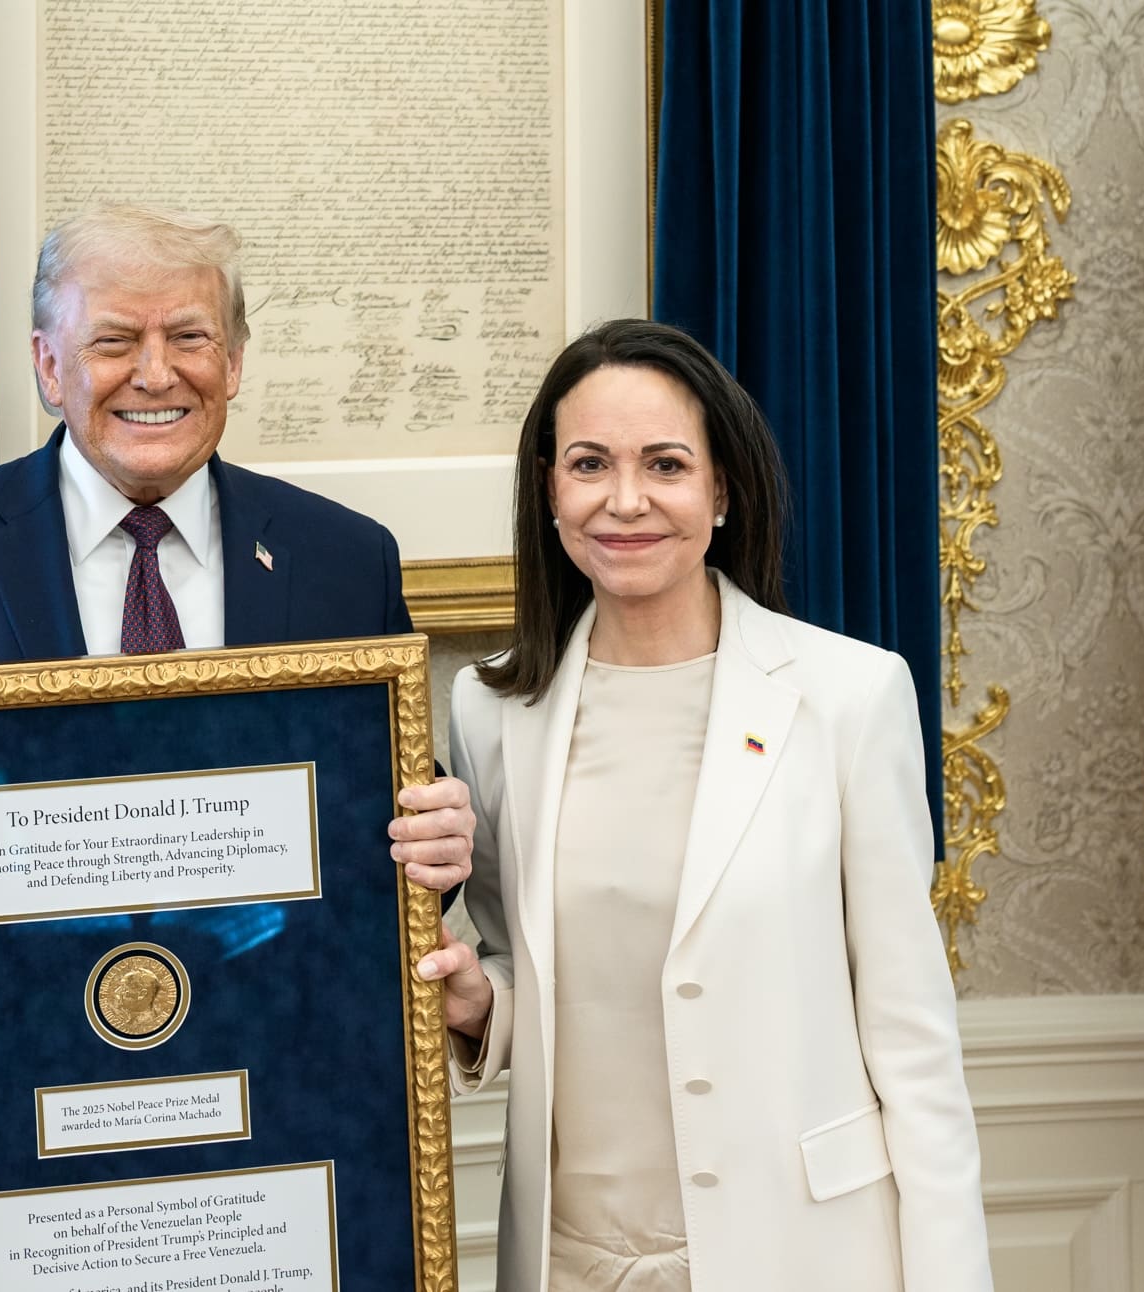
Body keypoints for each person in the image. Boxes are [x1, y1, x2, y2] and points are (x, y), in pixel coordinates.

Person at [415, 319, 992, 1291]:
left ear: (721, 489)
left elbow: (912, 1039)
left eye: (666, 464)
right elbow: (529, 961)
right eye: (589, 464)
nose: (625, 499)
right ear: (549, 490)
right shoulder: (491, 707)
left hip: (801, 1253)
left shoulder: (849, 696)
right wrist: (480, 1005)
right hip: (567, 1257)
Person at [0, 204, 474, 971]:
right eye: (114, 341)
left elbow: (390, 803)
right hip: (1, 1016)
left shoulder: (345, 559)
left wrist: (437, 840)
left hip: (272, 1014)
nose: (155, 374)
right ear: (48, 366)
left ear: (233, 362)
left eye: (189, 337)